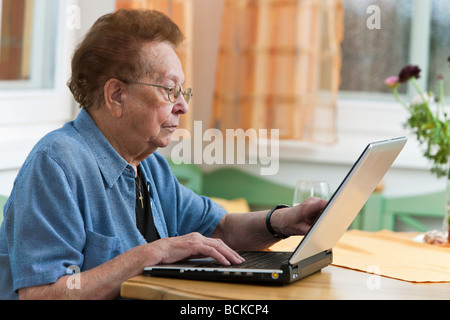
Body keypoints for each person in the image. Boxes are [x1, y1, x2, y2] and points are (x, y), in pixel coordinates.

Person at [0, 9, 326, 300]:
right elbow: (42, 294)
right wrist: (152, 254)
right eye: (170, 90)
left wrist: (283, 221)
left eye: (182, 91)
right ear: (116, 95)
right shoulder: (56, 164)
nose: (183, 106)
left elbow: (220, 228)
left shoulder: (150, 164)